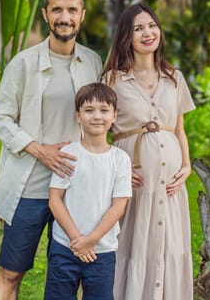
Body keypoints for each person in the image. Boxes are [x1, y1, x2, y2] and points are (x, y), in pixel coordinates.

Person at [0, 0, 102, 300]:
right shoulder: (23, 63)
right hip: (30, 188)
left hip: (75, 189)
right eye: (57, 9)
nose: (64, 17)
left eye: (71, 9)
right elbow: (0, 117)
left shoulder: (93, 62)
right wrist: (40, 151)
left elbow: (103, 118)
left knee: (69, 276)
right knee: (11, 272)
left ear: (82, 14)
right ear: (45, 14)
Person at [102, 3, 195, 300]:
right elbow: (98, 132)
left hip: (170, 185)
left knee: (170, 242)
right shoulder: (112, 80)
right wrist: (118, 171)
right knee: (134, 241)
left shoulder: (174, 77)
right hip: (133, 182)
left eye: (152, 25)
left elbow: (179, 129)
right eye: (138, 28)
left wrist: (187, 165)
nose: (147, 32)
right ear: (126, 37)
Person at [44, 82, 132, 300]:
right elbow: (55, 200)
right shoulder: (68, 154)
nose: (97, 116)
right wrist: (77, 240)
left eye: (104, 110)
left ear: (114, 116)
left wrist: (91, 239)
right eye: (89, 110)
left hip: (102, 251)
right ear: (77, 116)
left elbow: (119, 205)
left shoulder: (120, 159)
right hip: (65, 247)